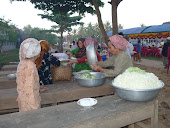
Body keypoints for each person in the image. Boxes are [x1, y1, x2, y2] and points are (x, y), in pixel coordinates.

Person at [16, 38, 42, 112]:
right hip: (30, 104)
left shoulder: (22, 63)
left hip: (23, 100)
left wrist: (39, 88)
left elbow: (26, 84)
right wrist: (34, 107)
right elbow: (29, 90)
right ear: (35, 53)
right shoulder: (30, 66)